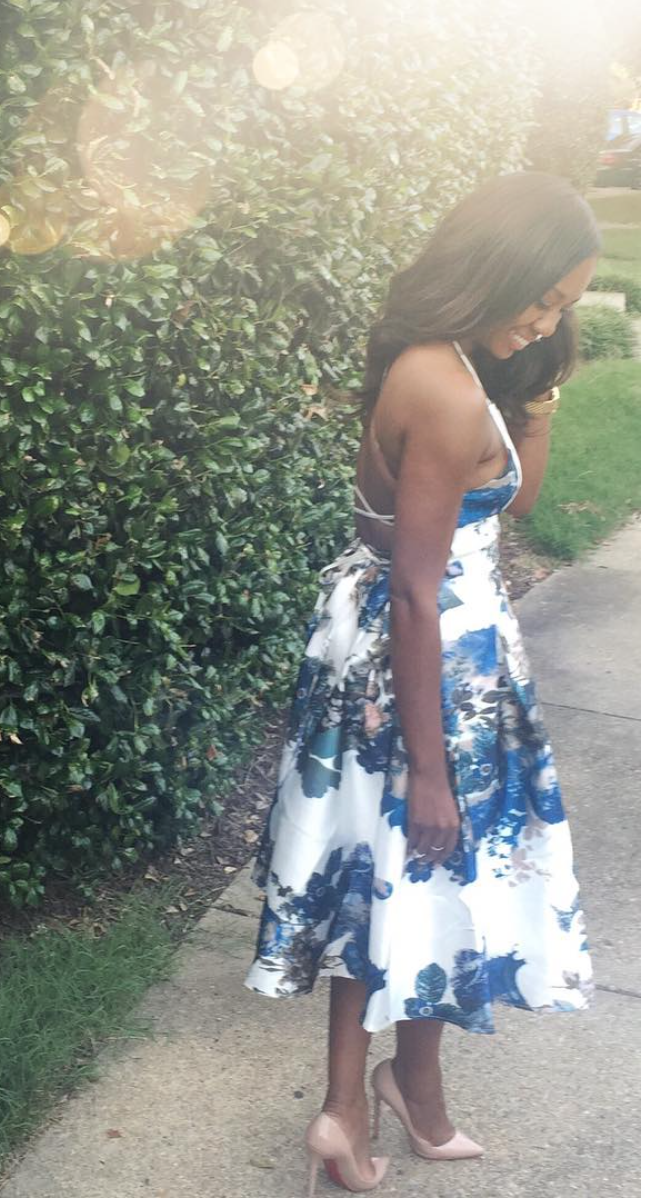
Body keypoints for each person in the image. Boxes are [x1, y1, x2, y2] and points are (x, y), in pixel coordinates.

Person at [242, 171, 600, 1194]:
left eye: (564, 307)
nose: (546, 319)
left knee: (398, 880)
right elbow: (414, 588)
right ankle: (356, 1102)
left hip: (434, 658)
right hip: (425, 672)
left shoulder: (453, 364)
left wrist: (539, 381)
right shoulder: (442, 388)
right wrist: (431, 772)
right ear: (496, 267)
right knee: (416, 862)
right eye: (542, 299)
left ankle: (385, 1095)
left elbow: (513, 501)